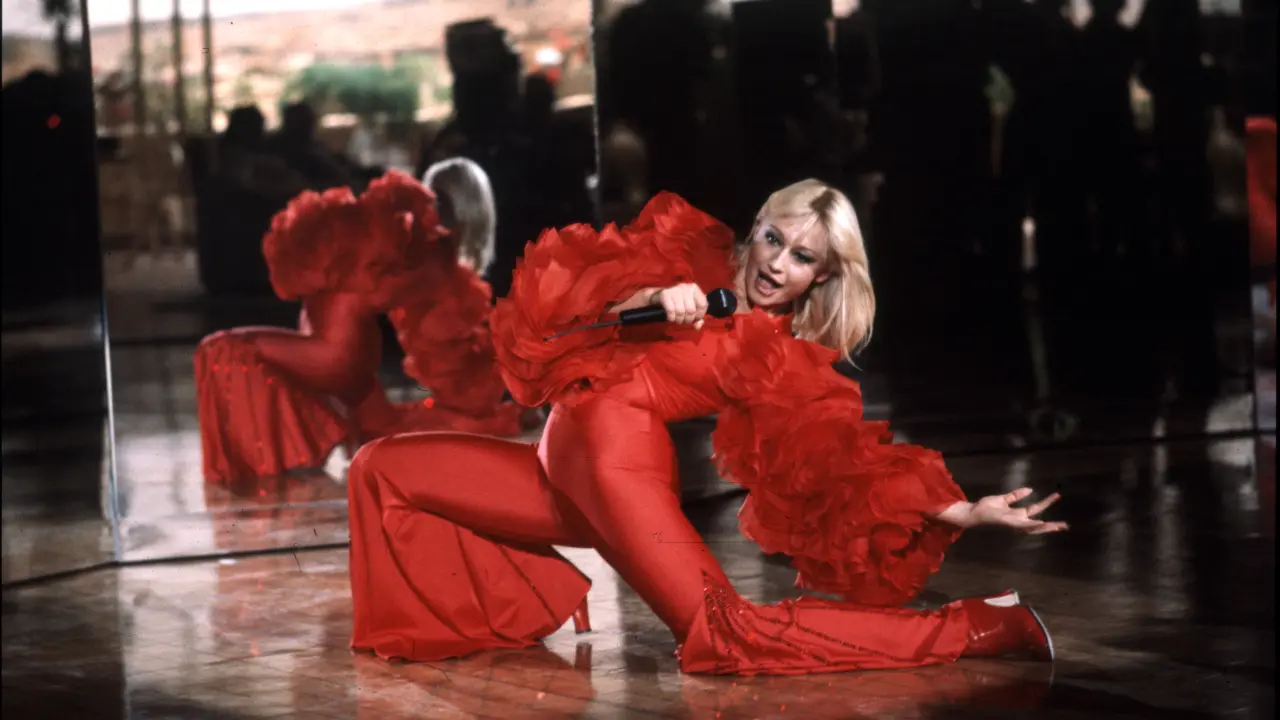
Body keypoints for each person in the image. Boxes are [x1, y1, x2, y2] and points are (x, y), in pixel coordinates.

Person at [347, 180, 1068, 675]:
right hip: (554, 471)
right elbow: (569, 315)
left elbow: (839, 456)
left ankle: (982, 625)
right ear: (756, 228)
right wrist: (652, 293)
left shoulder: (778, 357)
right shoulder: (687, 256)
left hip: (619, 474)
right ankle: (489, 616)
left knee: (724, 636)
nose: (776, 264)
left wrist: (960, 510)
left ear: (822, 276)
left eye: (802, 258)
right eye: (773, 239)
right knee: (382, 469)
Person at [194, 167, 524, 483]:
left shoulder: (412, 250)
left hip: (336, 357)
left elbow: (431, 330)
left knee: (220, 349)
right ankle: (269, 467)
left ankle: (262, 469)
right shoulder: (387, 238)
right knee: (380, 425)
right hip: (341, 355)